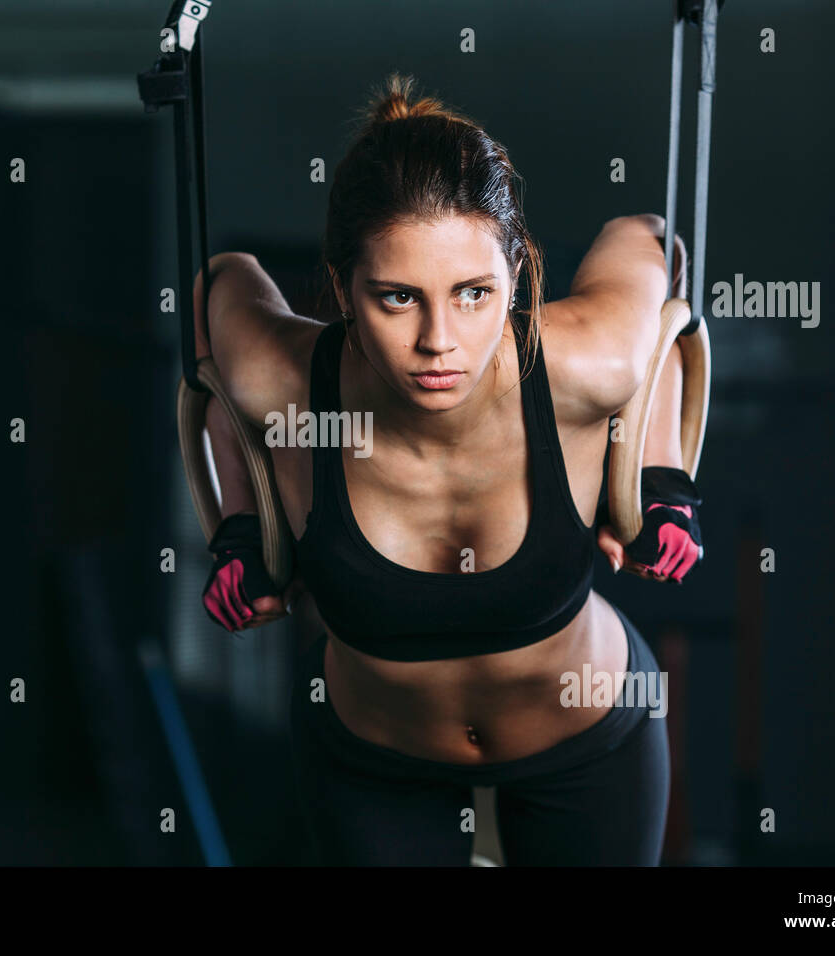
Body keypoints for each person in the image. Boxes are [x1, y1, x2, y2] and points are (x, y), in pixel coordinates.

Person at [194, 74, 703, 865]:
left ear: (517, 272)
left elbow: (657, 255)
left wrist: (656, 486)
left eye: (474, 293)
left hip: (587, 739)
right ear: (341, 288)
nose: (441, 341)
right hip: (375, 763)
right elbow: (218, 290)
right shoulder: (283, 381)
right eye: (397, 298)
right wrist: (241, 525)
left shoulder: (586, 361)